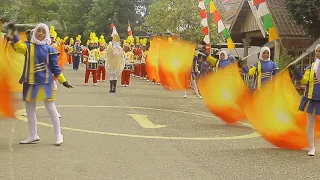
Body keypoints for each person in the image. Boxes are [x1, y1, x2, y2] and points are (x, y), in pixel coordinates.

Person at [8, 23, 73, 145]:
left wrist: (63, 80)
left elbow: (55, 67)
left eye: (43, 32)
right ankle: (33, 135)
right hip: (30, 82)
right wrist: (13, 32)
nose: (41, 34)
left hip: (45, 83)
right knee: (30, 110)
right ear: (34, 32)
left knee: (51, 108)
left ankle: (59, 134)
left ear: (47, 33)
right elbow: (17, 46)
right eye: (39, 31)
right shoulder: (27, 47)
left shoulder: (50, 50)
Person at [290, 44, 320, 156]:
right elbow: (304, 81)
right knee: (310, 124)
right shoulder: (310, 67)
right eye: (317, 51)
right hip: (311, 99)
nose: (318, 53)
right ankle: (312, 148)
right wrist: (296, 71)